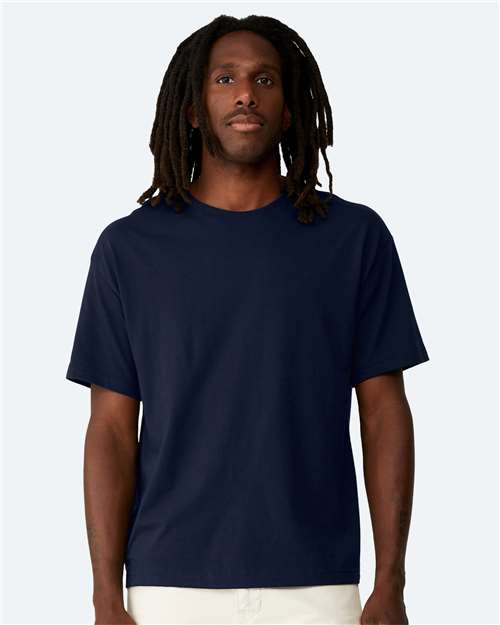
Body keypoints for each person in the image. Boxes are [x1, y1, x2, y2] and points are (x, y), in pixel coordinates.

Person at [65, 13, 430, 625]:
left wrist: (390, 581)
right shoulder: (129, 249)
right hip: (168, 587)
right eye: (224, 78)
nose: (245, 94)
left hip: (319, 586)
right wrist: (105, 596)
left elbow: (384, 412)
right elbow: (110, 430)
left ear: (288, 111)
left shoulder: (354, 238)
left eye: (265, 80)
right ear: (192, 109)